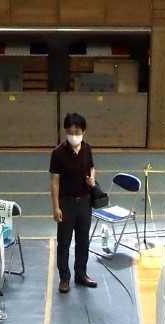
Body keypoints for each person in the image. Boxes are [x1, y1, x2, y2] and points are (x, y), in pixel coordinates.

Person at [49, 111, 97, 294]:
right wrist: (56, 207)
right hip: (66, 203)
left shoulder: (87, 148)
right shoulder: (58, 153)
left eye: (77, 131)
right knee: (64, 242)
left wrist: (92, 178)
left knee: (83, 241)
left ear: (83, 131)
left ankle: (81, 274)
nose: (74, 135)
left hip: (85, 202)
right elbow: (54, 182)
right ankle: (64, 278)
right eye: (70, 131)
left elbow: (92, 167)